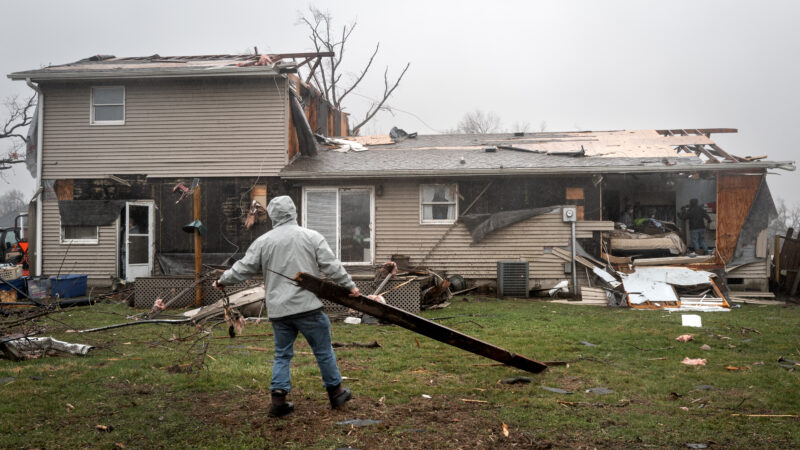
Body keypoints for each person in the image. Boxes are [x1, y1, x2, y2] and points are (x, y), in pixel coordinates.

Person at [213, 195, 360, 418]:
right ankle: (336, 393)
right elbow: (331, 266)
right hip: (308, 308)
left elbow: (243, 268)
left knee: (282, 355)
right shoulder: (311, 237)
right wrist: (350, 286)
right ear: (294, 213)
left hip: (280, 311)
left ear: (272, 216)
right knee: (323, 350)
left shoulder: (264, 242)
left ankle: (278, 401)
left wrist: (222, 281)